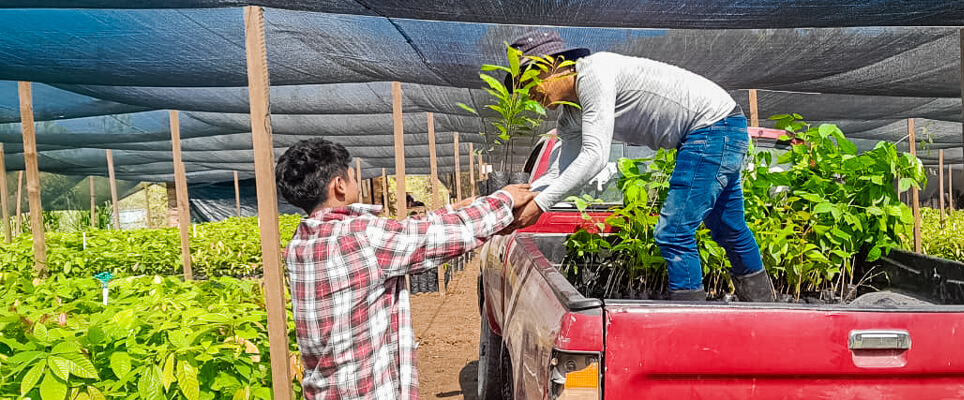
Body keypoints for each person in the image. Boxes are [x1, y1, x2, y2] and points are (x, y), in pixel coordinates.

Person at [510, 31, 775, 302]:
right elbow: (558, 172)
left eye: (529, 80)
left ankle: (691, 325)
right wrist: (517, 202)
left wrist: (540, 206)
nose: (527, 93)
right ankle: (765, 309)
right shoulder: (570, 117)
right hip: (719, 126)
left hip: (712, 127)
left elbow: (595, 156)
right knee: (727, 225)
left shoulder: (593, 73)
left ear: (553, 65)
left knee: (674, 232)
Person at [276, 138, 537, 400]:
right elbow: (438, 238)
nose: (356, 182)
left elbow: (404, 235)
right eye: (353, 177)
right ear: (340, 185)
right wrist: (504, 200)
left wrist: (448, 211)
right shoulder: (362, 236)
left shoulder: (300, 244)